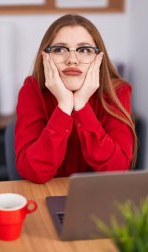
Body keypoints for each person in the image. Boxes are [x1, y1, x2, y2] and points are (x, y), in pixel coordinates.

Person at [15, 14, 137, 183]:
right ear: (46, 56)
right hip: (46, 195)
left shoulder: (117, 92)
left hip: (98, 197)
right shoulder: (32, 90)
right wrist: (64, 106)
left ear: (98, 58)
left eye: (85, 50)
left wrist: (81, 106)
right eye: (59, 49)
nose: (72, 60)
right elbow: (32, 171)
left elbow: (117, 170)